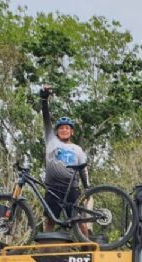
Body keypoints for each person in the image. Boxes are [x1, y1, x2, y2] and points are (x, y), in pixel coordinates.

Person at [40, 85, 90, 233]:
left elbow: (83, 169)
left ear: (72, 131)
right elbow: (46, 118)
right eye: (61, 128)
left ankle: (88, 248)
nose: (64, 130)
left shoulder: (77, 149)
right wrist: (44, 98)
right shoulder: (51, 141)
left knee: (79, 220)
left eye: (67, 128)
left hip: (72, 189)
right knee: (49, 220)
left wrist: (87, 189)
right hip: (52, 189)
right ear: (56, 131)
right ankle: (46, 252)